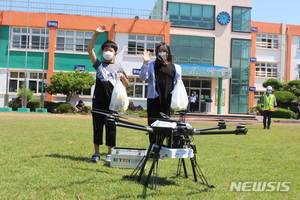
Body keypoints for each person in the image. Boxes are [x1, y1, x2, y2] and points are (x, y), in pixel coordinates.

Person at [87, 24, 130, 162]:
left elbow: (127, 85)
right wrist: (95, 34)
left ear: (115, 53)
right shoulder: (99, 65)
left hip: (113, 103)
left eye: (110, 50)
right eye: (105, 50)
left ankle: (110, 153)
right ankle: (96, 153)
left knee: (111, 128)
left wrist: (123, 77)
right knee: (97, 127)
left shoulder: (119, 67)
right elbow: (89, 49)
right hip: (98, 101)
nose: (107, 52)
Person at [139, 42, 182, 143]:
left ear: (168, 52)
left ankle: (161, 147)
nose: (162, 53)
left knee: (166, 125)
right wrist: (145, 63)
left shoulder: (176, 67)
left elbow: (178, 85)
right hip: (154, 99)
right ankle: (153, 147)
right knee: (152, 125)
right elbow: (142, 77)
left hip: (168, 100)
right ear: (157, 53)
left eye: (164, 51)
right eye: (160, 51)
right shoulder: (151, 65)